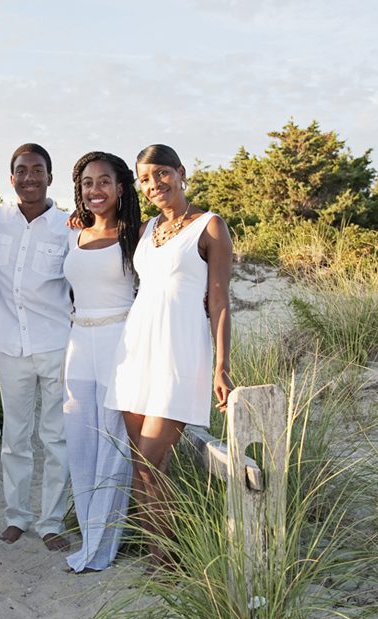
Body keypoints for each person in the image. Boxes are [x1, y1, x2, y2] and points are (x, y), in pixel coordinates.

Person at [105, 143, 234, 568]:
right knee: (140, 462)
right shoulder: (144, 230)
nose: (154, 184)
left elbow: (218, 302)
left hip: (180, 354)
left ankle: (173, 557)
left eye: (161, 173)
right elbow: (95, 223)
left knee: (152, 458)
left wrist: (221, 365)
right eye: (145, 178)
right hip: (137, 351)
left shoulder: (210, 227)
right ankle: (160, 554)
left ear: (180, 172)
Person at [0, 143, 72, 551]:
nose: (30, 177)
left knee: (55, 437)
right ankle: (16, 516)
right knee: (15, 436)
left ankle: (52, 520)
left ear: (50, 178)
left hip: (55, 345)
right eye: (22, 170)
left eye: (38, 170)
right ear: (11, 177)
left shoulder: (69, 226)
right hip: (9, 347)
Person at [63, 152, 141, 572]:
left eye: (104, 181)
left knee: (114, 445)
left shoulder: (138, 235)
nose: (96, 190)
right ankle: (90, 530)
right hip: (79, 342)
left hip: (120, 343)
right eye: (88, 182)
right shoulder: (70, 235)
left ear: (121, 188)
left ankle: (100, 547)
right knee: (80, 441)